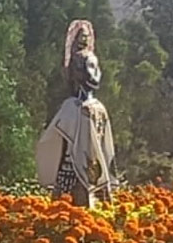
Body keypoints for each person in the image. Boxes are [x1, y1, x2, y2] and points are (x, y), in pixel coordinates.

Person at [36, 20, 117, 209]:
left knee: (70, 200)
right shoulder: (97, 107)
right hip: (90, 165)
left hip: (74, 165)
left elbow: (53, 140)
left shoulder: (74, 107)